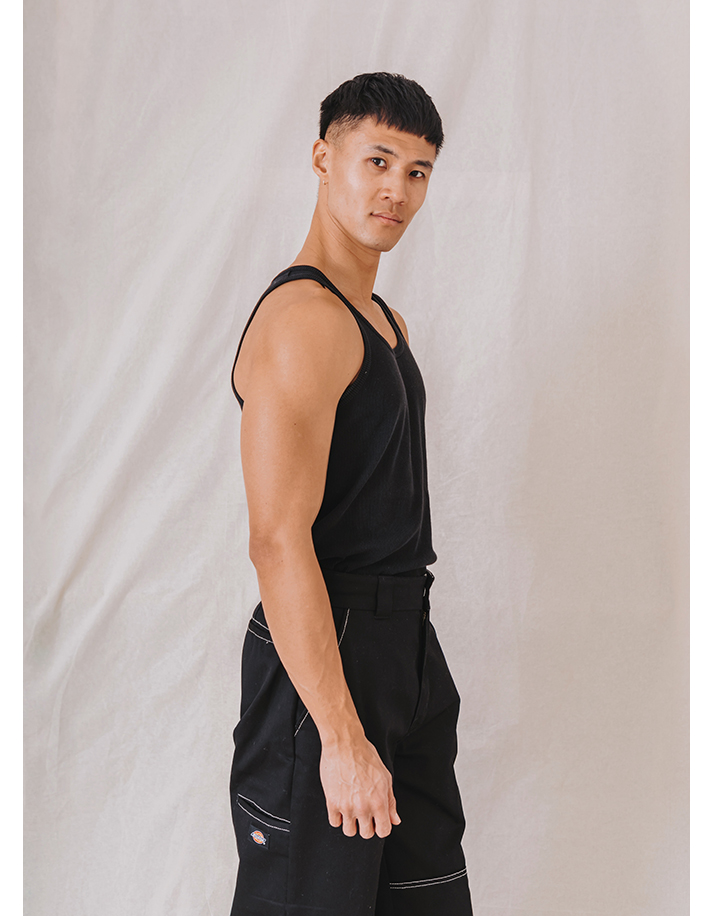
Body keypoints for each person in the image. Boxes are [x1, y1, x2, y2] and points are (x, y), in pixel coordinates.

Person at [228, 72, 473, 916]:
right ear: (321, 159)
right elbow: (276, 539)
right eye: (377, 160)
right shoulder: (304, 320)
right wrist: (338, 733)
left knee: (425, 899)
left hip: (402, 644)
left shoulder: (383, 322)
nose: (396, 189)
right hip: (324, 657)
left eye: (417, 171)